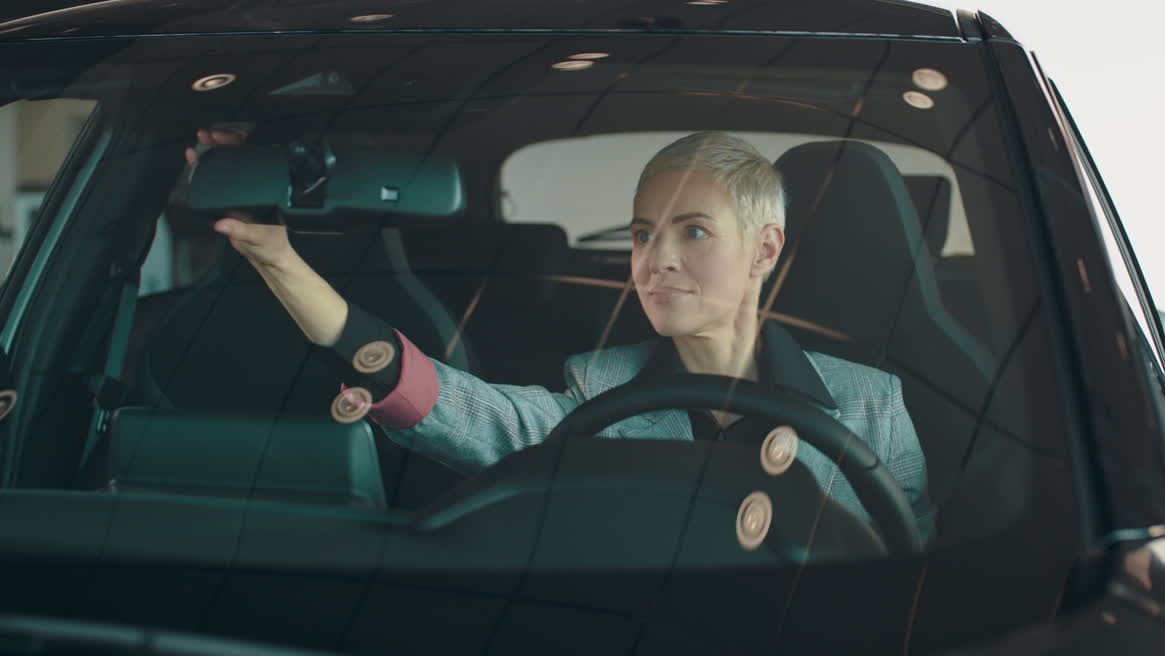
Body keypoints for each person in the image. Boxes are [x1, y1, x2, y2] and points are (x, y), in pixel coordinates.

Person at [203, 130, 935, 542]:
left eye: (695, 232)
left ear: (766, 251)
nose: (657, 259)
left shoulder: (872, 404)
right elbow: (454, 406)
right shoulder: (598, 392)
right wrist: (279, 259)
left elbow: (912, 575)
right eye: (644, 233)